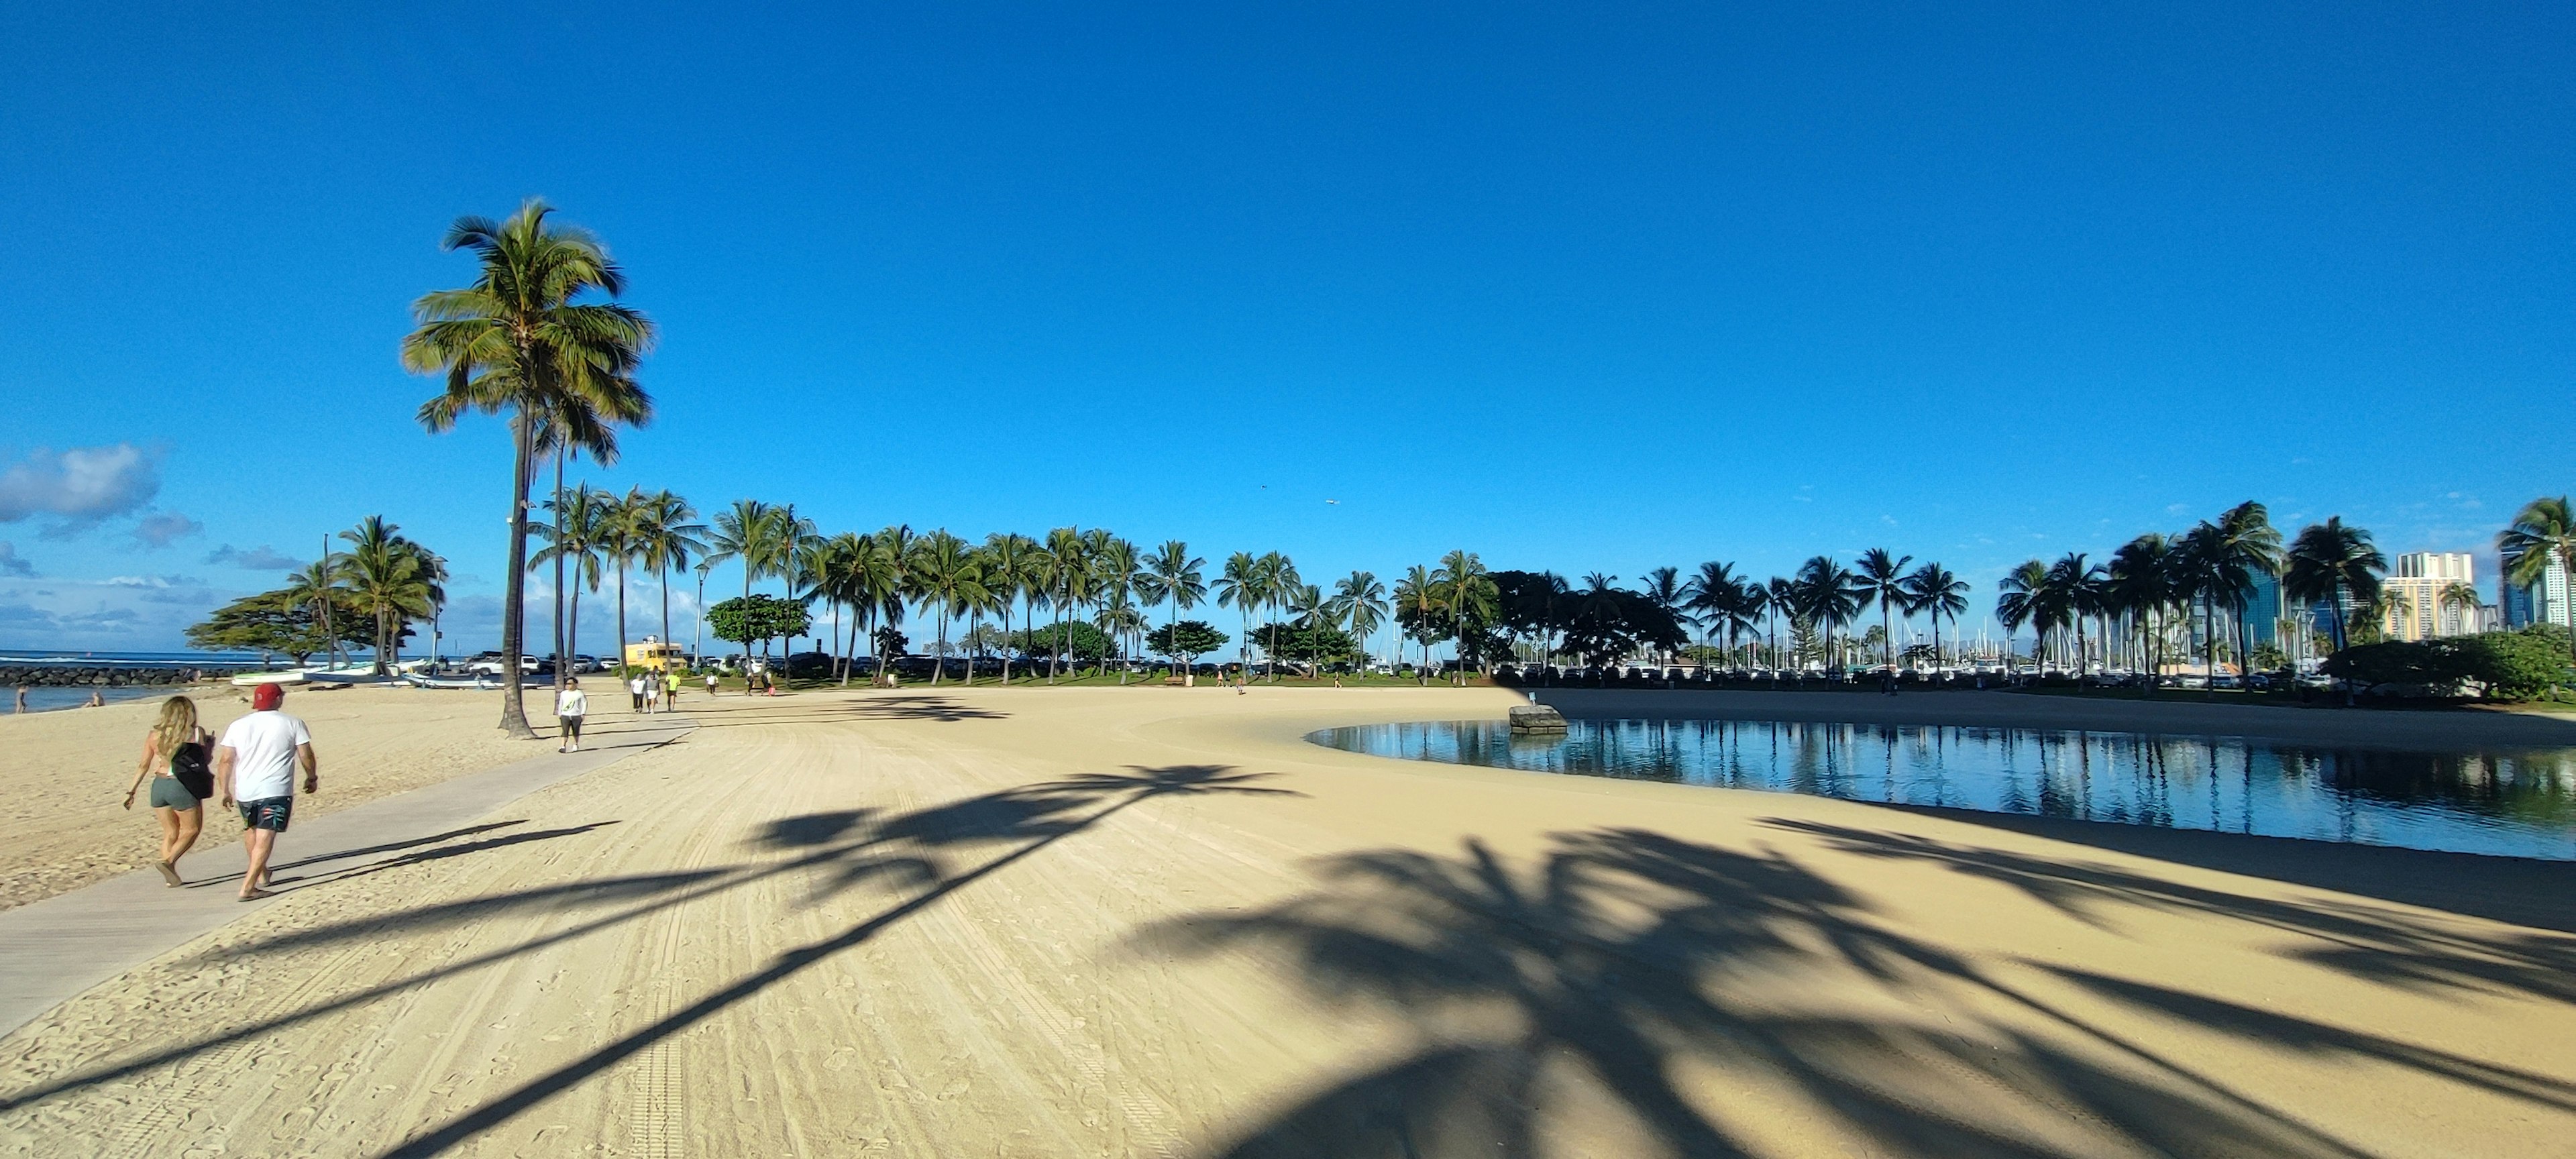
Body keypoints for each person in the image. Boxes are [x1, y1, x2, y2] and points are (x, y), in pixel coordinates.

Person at [215, 681, 317, 902]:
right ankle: (248, 887)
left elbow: (225, 760)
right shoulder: (293, 723)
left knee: (252, 830)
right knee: (265, 834)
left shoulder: (238, 724)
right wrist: (311, 776)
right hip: (275, 788)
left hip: (246, 789)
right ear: (279, 699)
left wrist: (224, 789)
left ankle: (262, 873)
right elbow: (306, 754)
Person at [122, 696, 212, 886]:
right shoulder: (195, 733)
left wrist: (131, 791)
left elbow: (143, 765)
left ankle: (170, 878)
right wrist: (209, 747)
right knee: (191, 830)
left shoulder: (154, 735)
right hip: (182, 784)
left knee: (170, 832)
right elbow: (203, 762)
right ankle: (168, 862)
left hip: (160, 784)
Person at [556, 677, 588, 753]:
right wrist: (560, 713)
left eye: (570, 684)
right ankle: (563, 746)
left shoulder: (579, 693)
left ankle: (575, 744)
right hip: (565, 715)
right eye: (567, 684)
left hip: (576, 715)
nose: (568, 685)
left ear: (575, 684)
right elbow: (561, 703)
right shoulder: (563, 693)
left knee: (576, 731)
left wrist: (583, 713)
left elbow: (584, 703)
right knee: (565, 731)